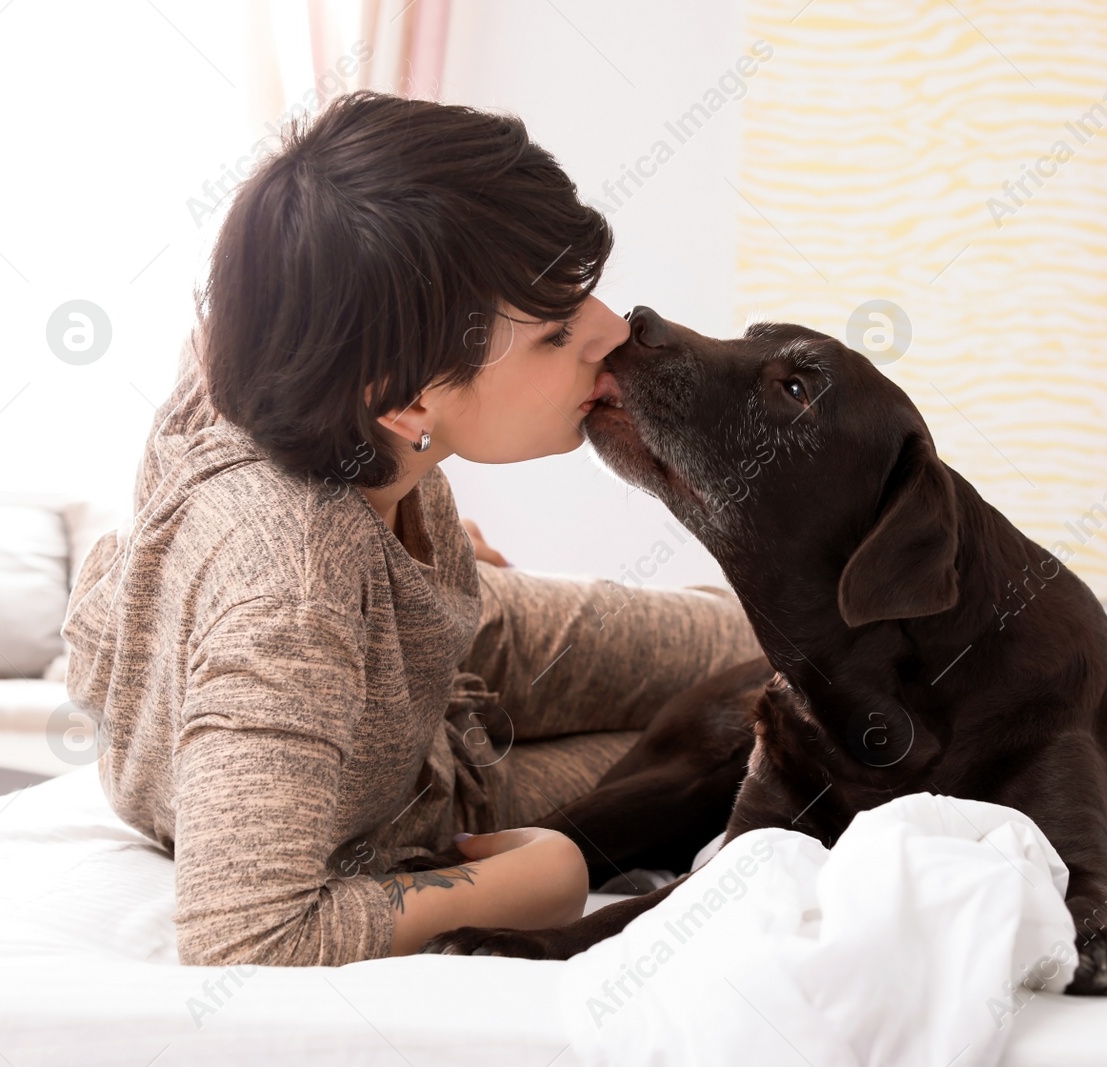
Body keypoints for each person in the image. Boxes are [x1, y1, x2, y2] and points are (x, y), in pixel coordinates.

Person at [61, 90, 761, 966]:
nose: (612, 330)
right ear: (403, 398)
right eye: (552, 333)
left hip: (431, 644)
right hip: (394, 778)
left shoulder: (274, 349)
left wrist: (406, 521)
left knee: (764, 646)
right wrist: (542, 881)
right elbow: (243, 934)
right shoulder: (293, 604)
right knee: (754, 741)